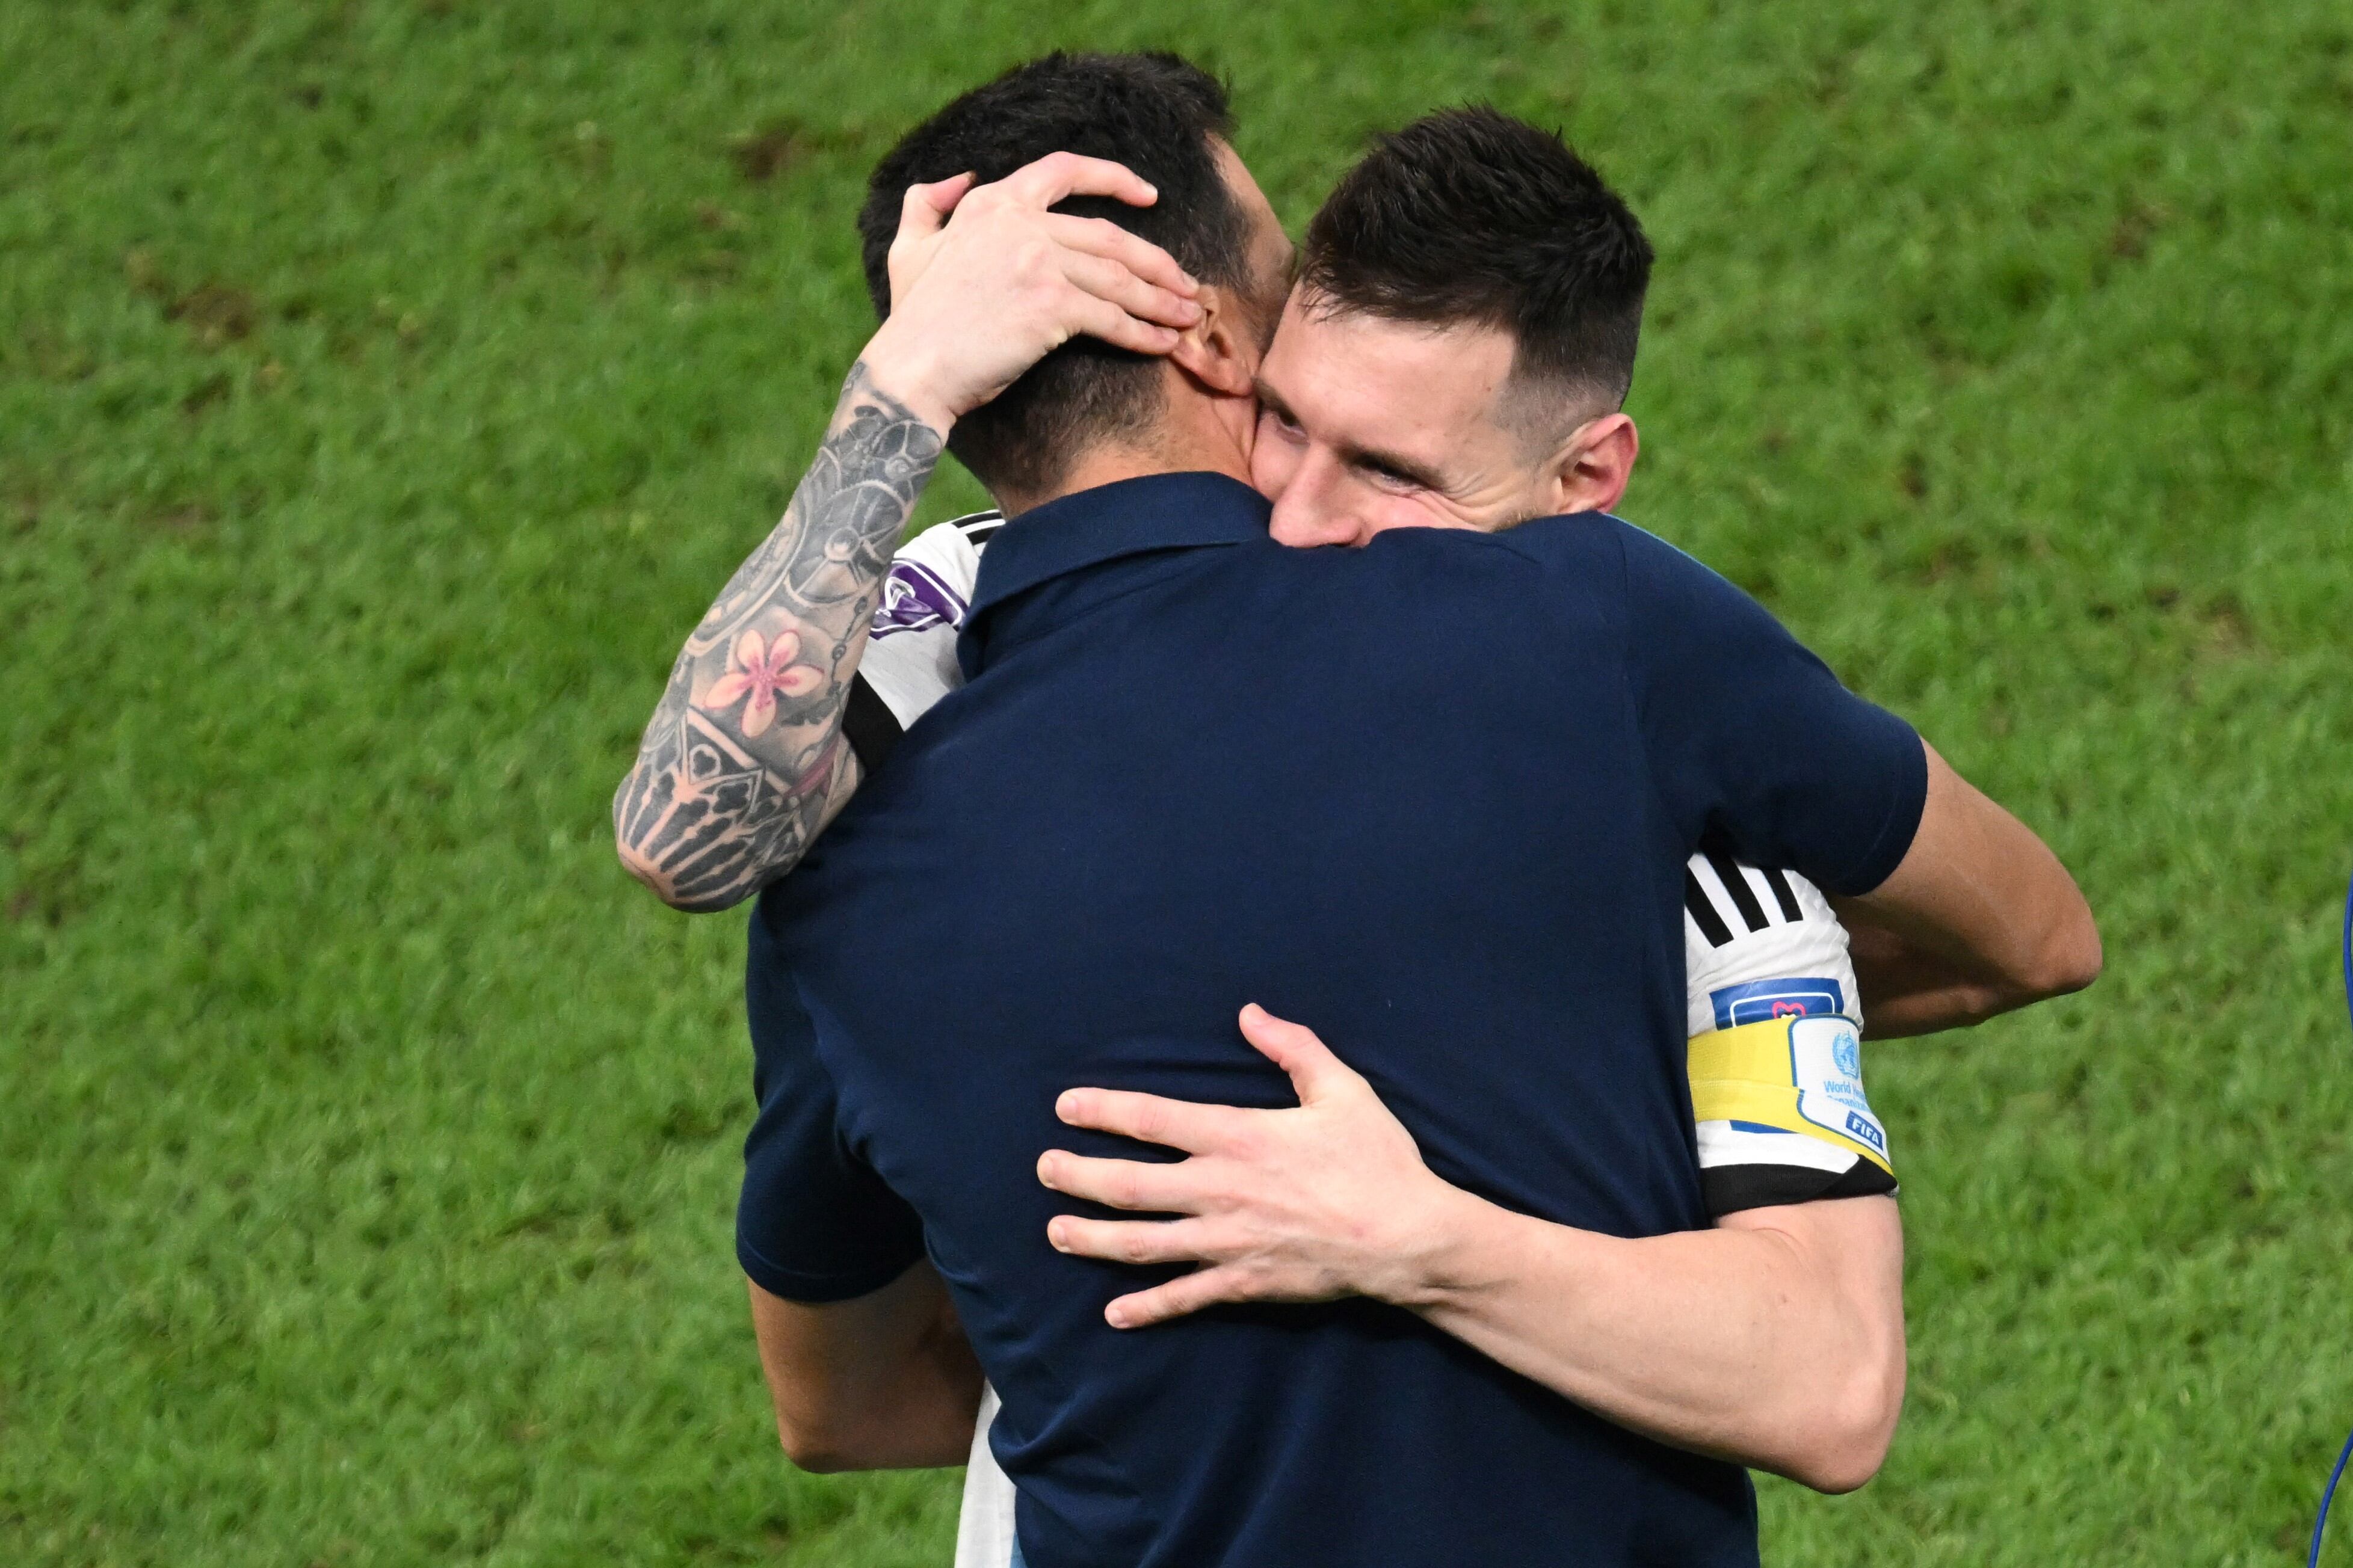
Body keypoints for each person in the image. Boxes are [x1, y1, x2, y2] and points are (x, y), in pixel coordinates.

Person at [612, 56, 2099, 1568]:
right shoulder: (1595, 634)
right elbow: (2029, 940)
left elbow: (839, 1406)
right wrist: (1604, 1068)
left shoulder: (838, 819)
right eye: (1279, 271)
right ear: (1200, 327)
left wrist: (1143, 1359)